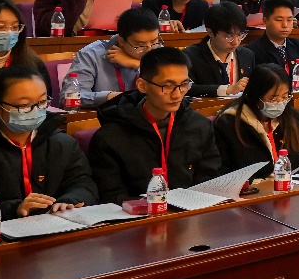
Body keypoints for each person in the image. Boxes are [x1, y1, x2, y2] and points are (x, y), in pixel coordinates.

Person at [87, 46, 221, 202]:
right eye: (168, 86)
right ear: (142, 86)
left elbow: (209, 177)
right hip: (137, 214)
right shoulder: (110, 136)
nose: (177, 94)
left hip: (191, 210)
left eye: (184, 84)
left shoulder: (199, 125)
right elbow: (111, 195)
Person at [0, 65, 97, 220]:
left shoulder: (62, 143)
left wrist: (69, 201)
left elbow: (84, 184)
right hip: (0, 230)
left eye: (42, 102)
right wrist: (15, 208)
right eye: (24, 105)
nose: (35, 111)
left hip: (56, 225)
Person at [213, 63, 299, 181]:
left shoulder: (294, 117)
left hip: (296, 185)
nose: (280, 103)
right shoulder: (229, 123)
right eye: (272, 98)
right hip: (253, 189)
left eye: (285, 97)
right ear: (255, 96)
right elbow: (224, 170)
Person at [70, 8, 162, 107]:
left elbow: (167, 90)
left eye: (154, 42)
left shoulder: (159, 51)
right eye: (140, 45)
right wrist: (111, 97)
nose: (149, 50)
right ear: (121, 41)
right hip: (106, 116)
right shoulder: (91, 55)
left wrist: (138, 65)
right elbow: (70, 97)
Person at [184, 2, 255, 99]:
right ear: (210, 32)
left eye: (239, 35)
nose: (235, 42)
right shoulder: (190, 57)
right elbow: (187, 88)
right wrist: (226, 90)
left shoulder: (247, 55)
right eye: (229, 36)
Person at [246, 0, 299, 84]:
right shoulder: (252, 51)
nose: (285, 25)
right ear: (265, 21)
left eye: (289, 20)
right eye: (279, 20)